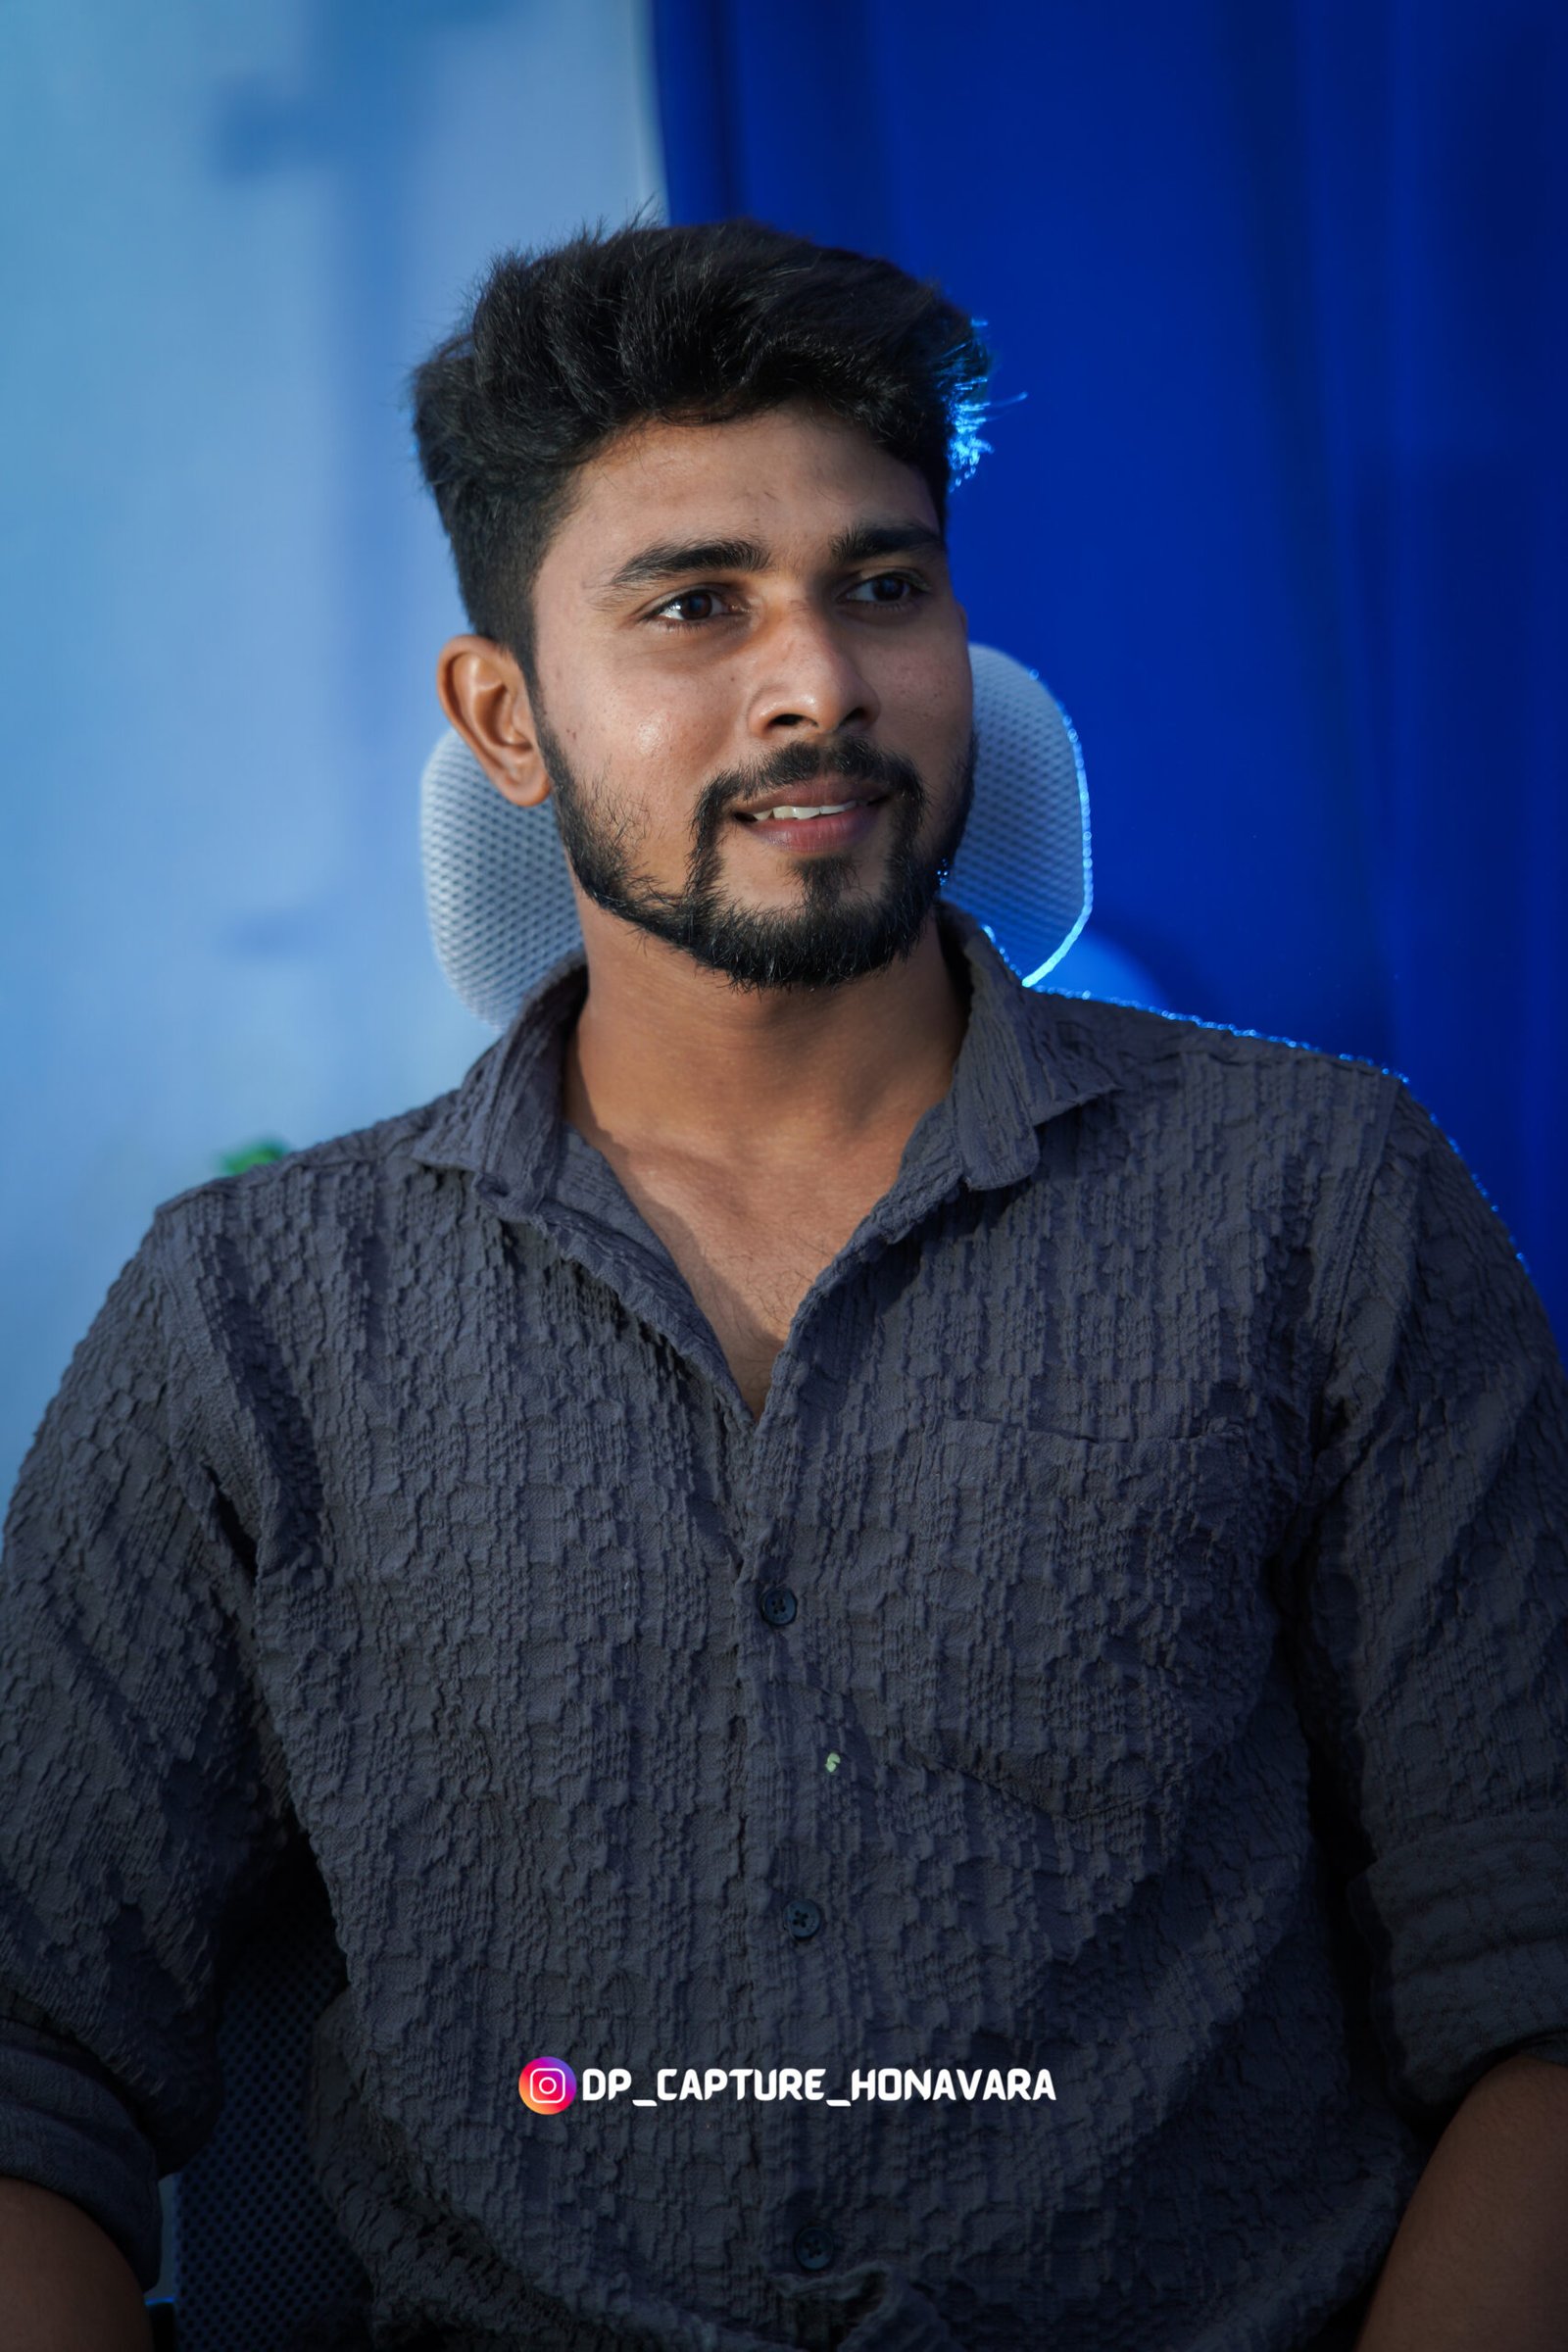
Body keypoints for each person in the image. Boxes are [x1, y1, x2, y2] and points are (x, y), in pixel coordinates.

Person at [1, 219, 1565, 2352]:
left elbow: (1537, 1977)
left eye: (882, 587)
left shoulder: (1319, 1200)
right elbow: (30, 2060)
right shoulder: (251, 1316)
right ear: (506, 717)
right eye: (695, 605)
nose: (818, 681)